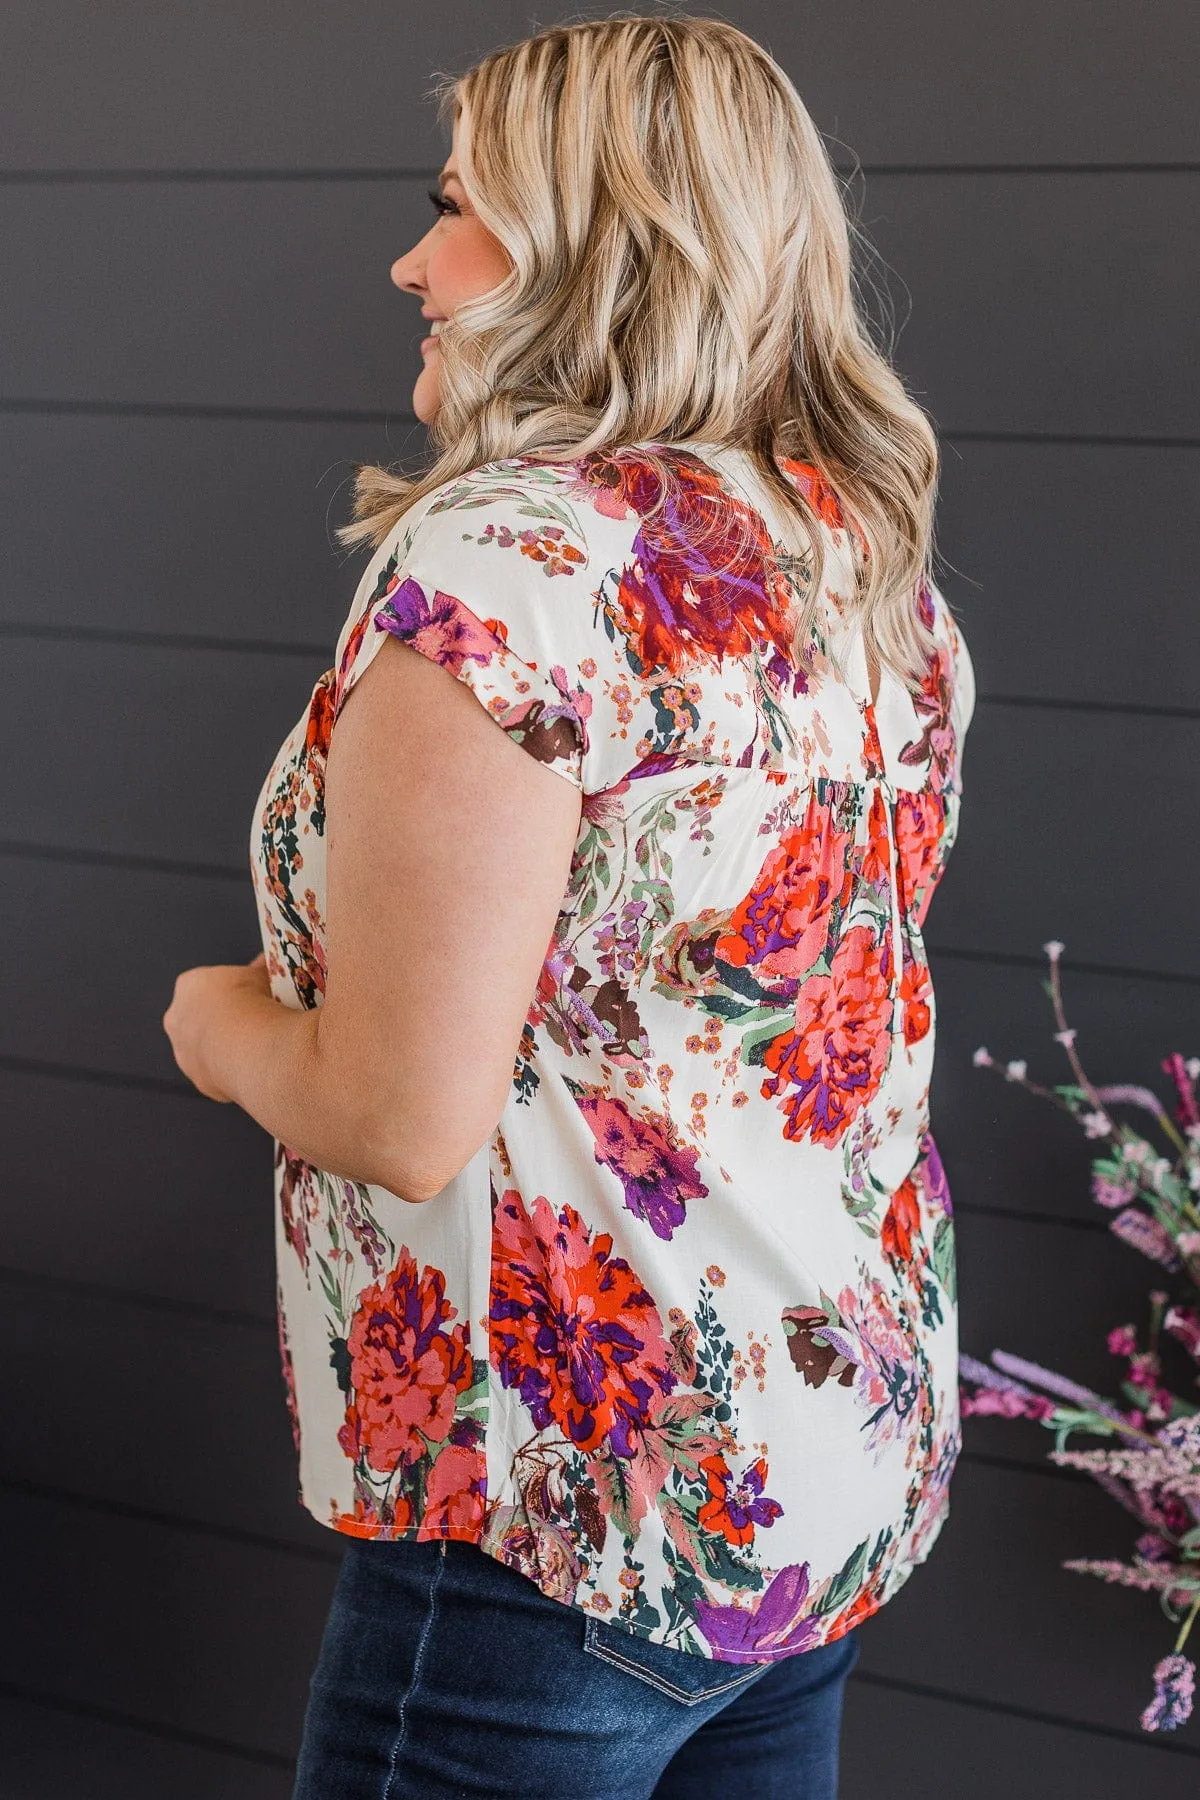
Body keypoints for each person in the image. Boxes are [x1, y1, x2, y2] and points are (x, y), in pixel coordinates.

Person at [161, 14, 975, 1798]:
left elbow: (394, 1113)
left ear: (591, 254)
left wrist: (212, 1024)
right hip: (822, 1467)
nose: (411, 260)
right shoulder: (850, 547)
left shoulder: (508, 572)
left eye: (457, 212)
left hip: (571, 1516)